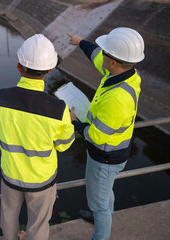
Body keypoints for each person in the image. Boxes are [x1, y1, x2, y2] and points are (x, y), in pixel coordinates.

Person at [0, 34, 75, 240]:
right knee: (38, 223)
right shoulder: (58, 109)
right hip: (41, 181)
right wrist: (69, 121)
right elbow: (64, 145)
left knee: (8, 217)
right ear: (49, 70)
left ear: (19, 67)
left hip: (10, 176)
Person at [67, 27, 145, 240]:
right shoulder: (125, 74)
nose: (101, 54)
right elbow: (96, 56)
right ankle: (102, 214)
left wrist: (75, 124)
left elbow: (98, 136)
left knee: (99, 204)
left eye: (106, 53)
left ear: (113, 62)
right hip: (115, 152)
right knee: (105, 192)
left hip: (105, 157)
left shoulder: (117, 98)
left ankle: (100, 229)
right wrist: (80, 41)